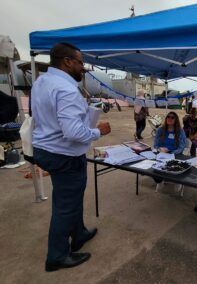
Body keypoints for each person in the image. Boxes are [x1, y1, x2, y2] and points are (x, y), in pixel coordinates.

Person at [31, 42, 111, 272]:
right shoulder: (66, 89)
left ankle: (78, 234)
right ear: (67, 61)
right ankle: (56, 256)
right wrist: (98, 131)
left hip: (47, 149)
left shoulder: (42, 82)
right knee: (65, 207)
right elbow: (74, 132)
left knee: (71, 198)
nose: (83, 68)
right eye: (80, 62)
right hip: (64, 155)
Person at [153, 111, 187, 191]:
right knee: (155, 169)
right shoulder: (161, 130)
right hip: (162, 153)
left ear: (176, 120)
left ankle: (177, 181)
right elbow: (156, 144)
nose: (169, 118)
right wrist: (159, 149)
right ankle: (160, 180)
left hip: (175, 154)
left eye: (172, 117)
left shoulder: (180, 131)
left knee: (174, 167)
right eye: (168, 117)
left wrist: (171, 152)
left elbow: (181, 147)